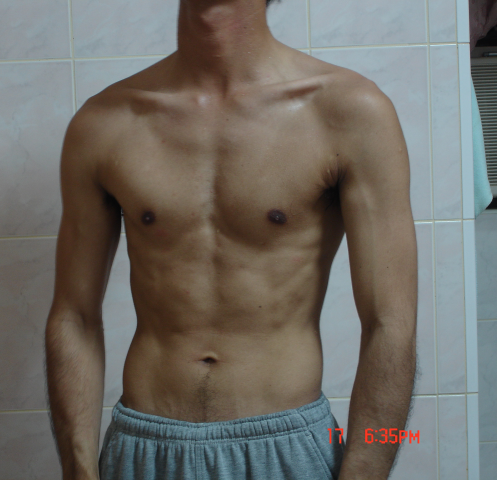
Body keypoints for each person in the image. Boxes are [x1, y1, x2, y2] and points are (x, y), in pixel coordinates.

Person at [44, 0, 418, 478]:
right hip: (144, 450)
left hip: (287, 447)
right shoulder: (105, 122)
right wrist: (78, 470)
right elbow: (74, 317)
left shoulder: (351, 112)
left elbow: (391, 324)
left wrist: (365, 472)